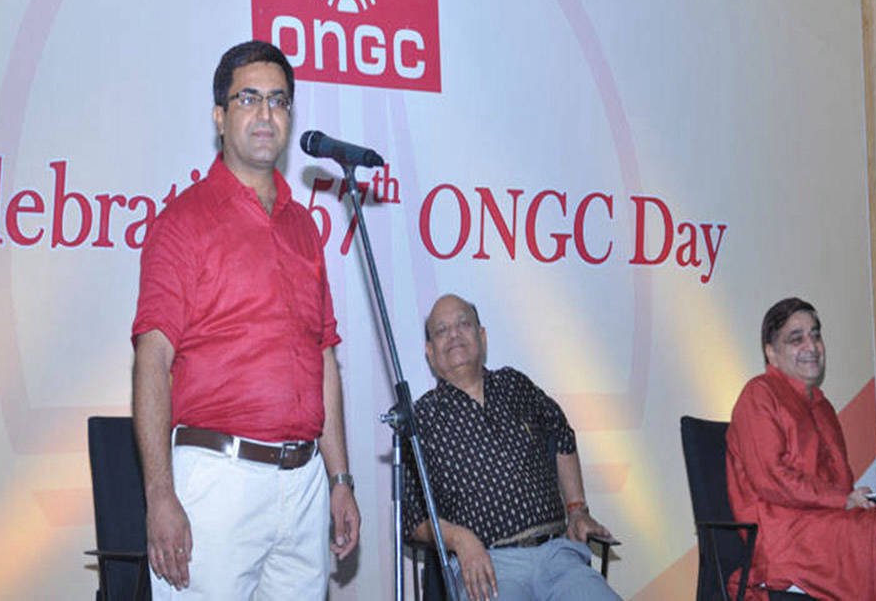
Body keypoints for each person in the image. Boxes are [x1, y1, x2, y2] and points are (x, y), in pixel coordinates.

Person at [131, 40, 360, 599]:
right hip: (217, 478)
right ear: (219, 116)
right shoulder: (183, 221)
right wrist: (159, 494)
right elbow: (152, 360)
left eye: (279, 101)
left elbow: (323, 359)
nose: (265, 114)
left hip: (304, 484)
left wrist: (339, 479)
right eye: (249, 98)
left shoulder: (303, 228)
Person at [402, 294, 622, 601]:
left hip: (557, 555)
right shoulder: (421, 419)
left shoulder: (515, 385)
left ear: (482, 336)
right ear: (430, 352)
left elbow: (561, 434)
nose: (454, 335)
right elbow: (413, 519)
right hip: (487, 565)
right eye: (442, 330)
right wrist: (460, 539)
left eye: (464, 324)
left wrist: (577, 509)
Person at [726, 296, 876, 600]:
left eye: (816, 335)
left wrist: (860, 502)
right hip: (785, 539)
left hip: (830, 528)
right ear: (771, 353)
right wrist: (842, 500)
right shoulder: (759, 394)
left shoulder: (823, 407)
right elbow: (772, 479)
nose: (812, 346)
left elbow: (840, 485)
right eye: (796, 339)